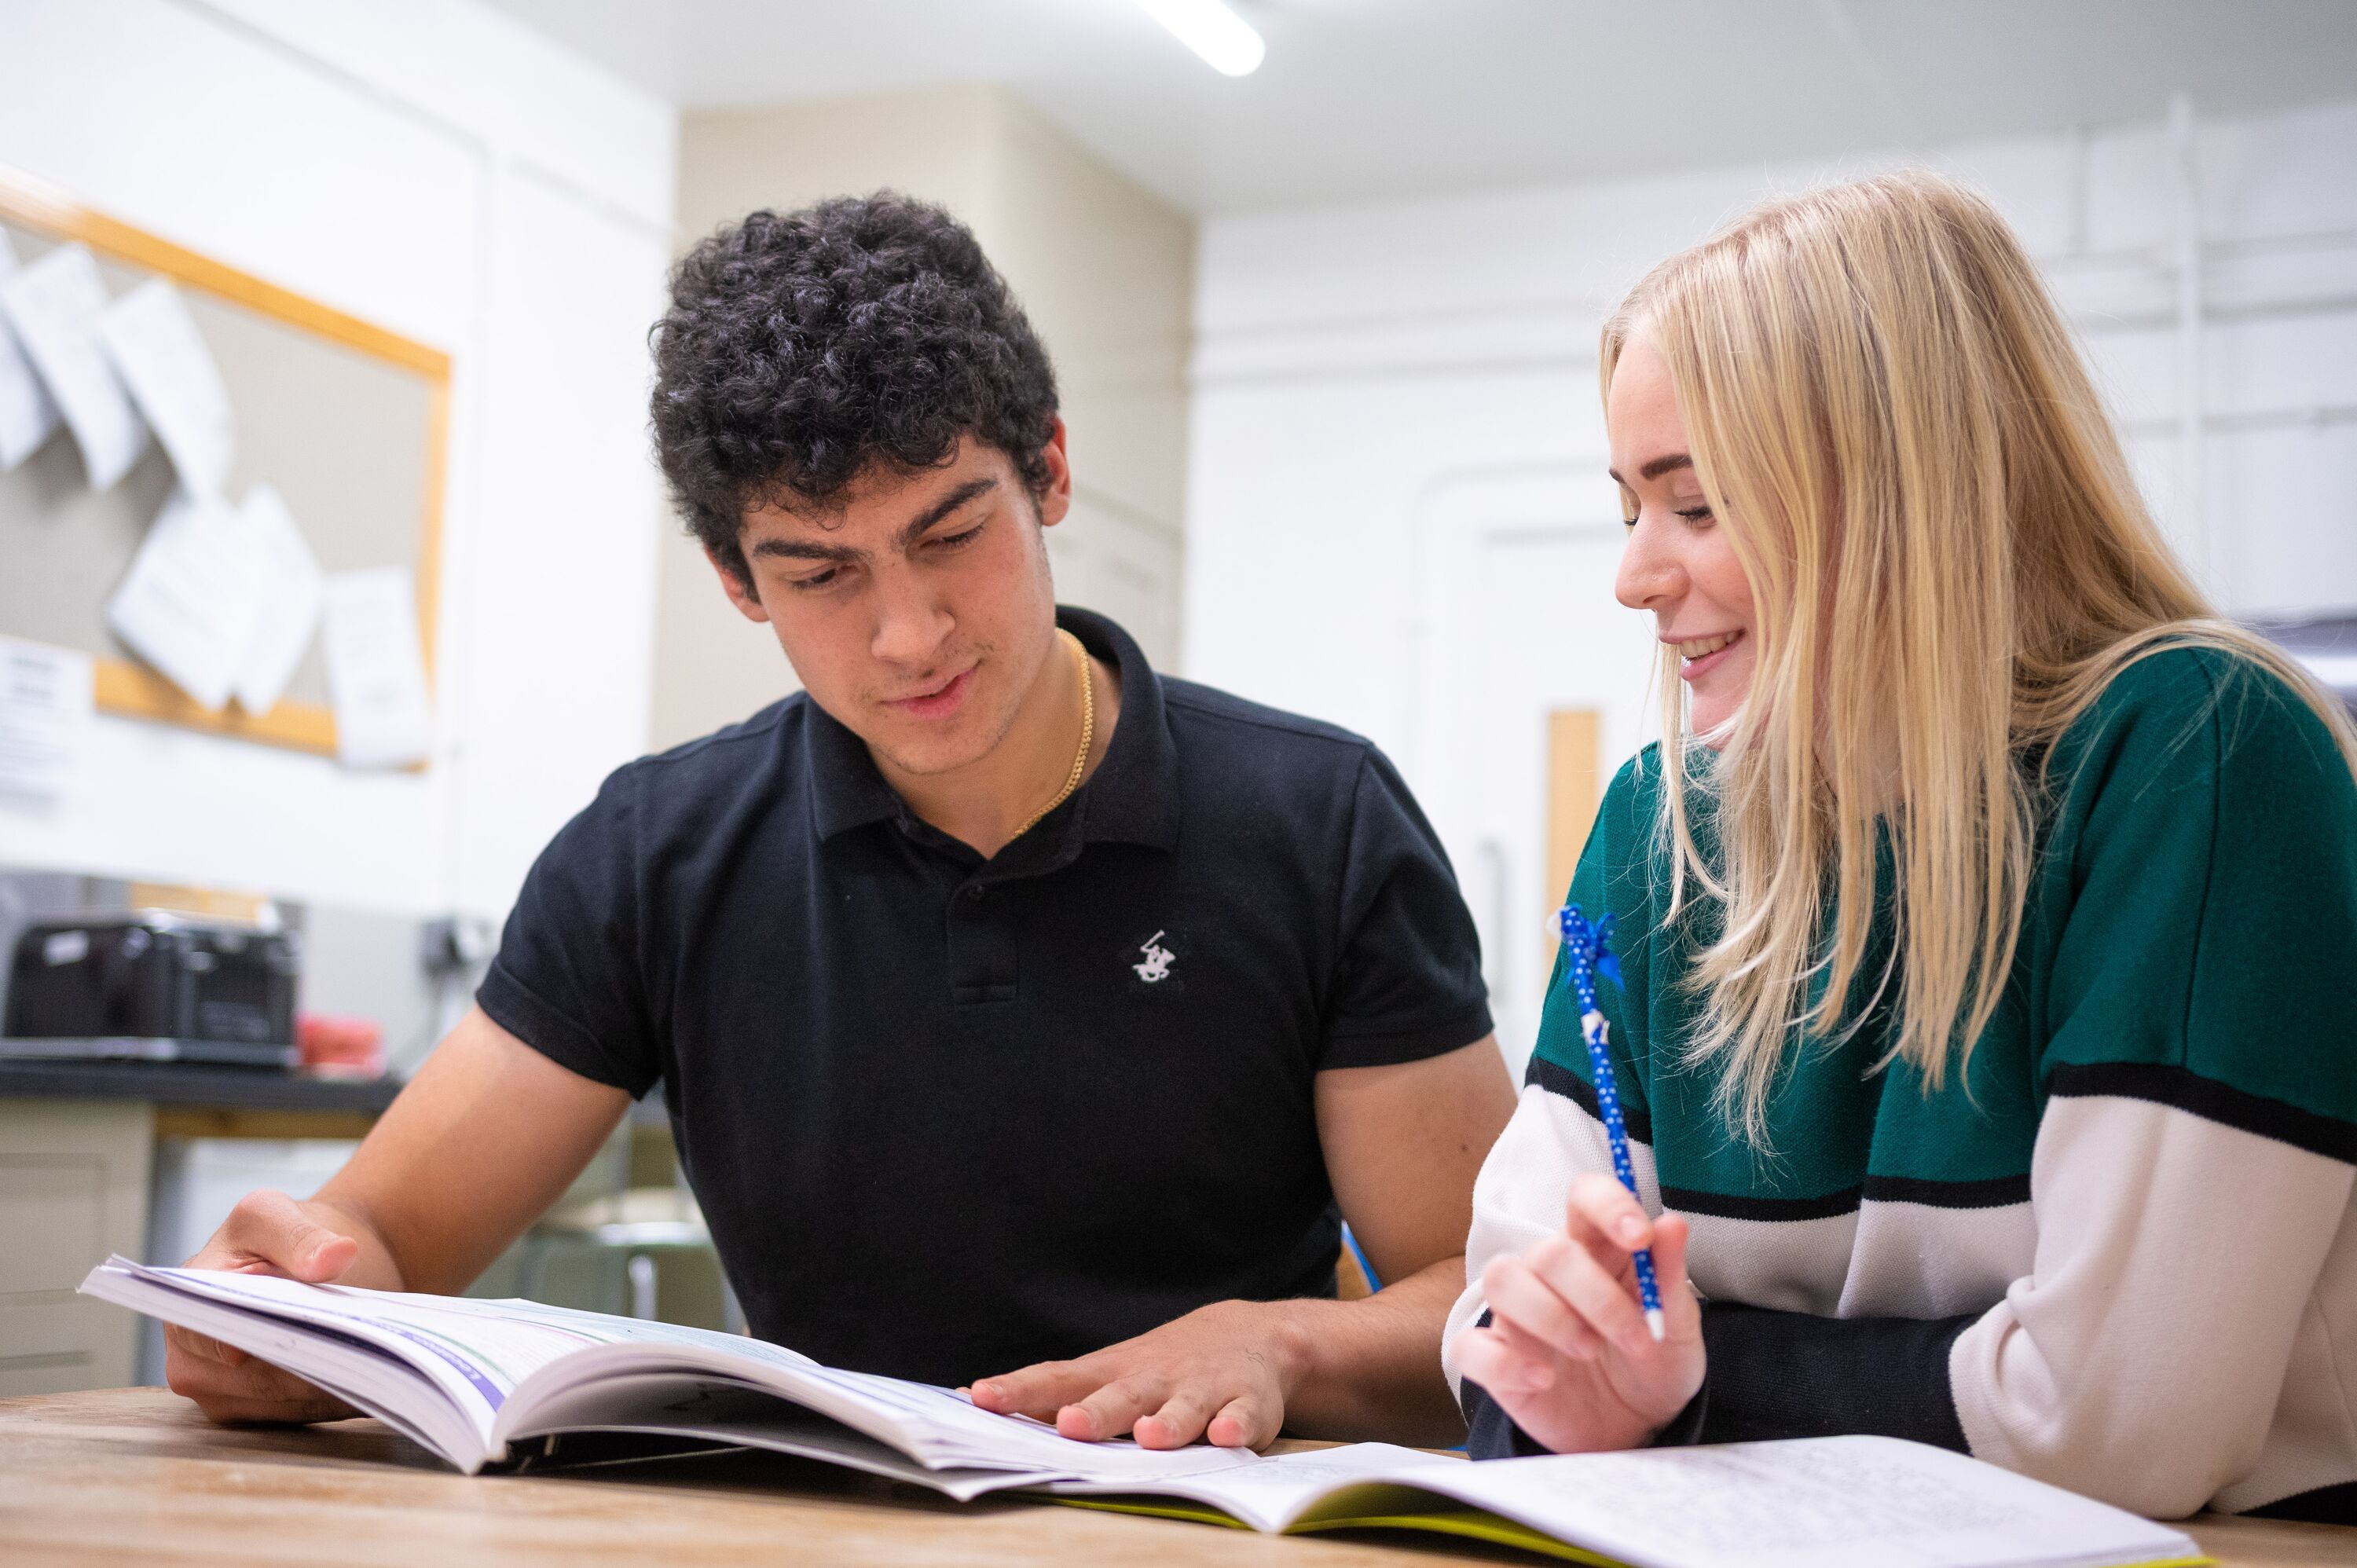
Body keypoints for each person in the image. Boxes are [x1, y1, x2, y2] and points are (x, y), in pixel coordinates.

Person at [169, 193, 1516, 1450]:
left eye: (950, 535)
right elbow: (383, 1237)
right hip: (829, 1521)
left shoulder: (1315, 819)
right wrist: (282, 1307)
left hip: (1218, 1513)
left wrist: (1279, 1343)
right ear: (736, 579)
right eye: (820, 573)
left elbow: (1486, 1298)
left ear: (1047, 471)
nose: (910, 634)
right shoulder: (657, 856)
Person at [1445, 171, 2357, 1522]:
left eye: (1696, 506)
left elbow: (2112, 1429)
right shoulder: (1659, 822)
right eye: (1627, 507)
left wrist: (1686, 1392)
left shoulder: (2197, 750)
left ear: (1899, 496)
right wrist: (1571, 1374)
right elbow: (1500, 1334)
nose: (1635, 576)